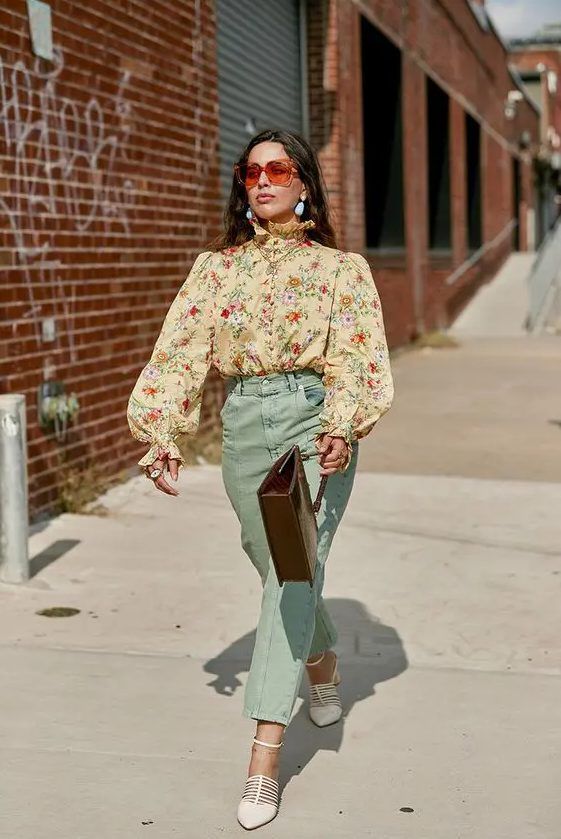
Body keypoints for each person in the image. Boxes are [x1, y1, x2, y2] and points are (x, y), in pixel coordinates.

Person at [127, 128, 394, 830]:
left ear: (304, 182)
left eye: (278, 169)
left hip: (312, 420)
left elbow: (357, 355)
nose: (263, 180)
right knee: (271, 557)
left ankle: (263, 753)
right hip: (244, 420)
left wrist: (342, 422)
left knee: (293, 574)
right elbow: (179, 349)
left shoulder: (341, 270)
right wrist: (162, 430)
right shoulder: (217, 270)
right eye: (251, 172)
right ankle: (324, 660)